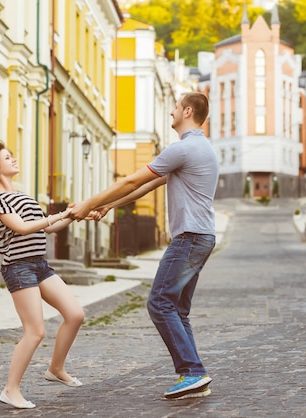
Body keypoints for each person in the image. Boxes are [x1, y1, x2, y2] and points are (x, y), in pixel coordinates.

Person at [70, 92, 219, 400]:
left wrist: (88, 204)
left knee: (159, 302)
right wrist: (109, 206)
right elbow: (148, 186)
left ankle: (192, 371)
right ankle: (192, 375)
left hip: (190, 237)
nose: (171, 112)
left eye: (175, 108)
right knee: (177, 308)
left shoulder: (184, 148)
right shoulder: (201, 148)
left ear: (187, 111)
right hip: (202, 236)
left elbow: (132, 181)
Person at [0, 140, 86, 409]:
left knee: (75, 315)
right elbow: (23, 228)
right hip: (18, 267)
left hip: (40, 265)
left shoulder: (24, 195)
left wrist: (76, 215)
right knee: (35, 331)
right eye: (7, 157)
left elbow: (46, 229)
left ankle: (55, 369)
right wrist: (59, 214)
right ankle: (10, 390)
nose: (13, 160)